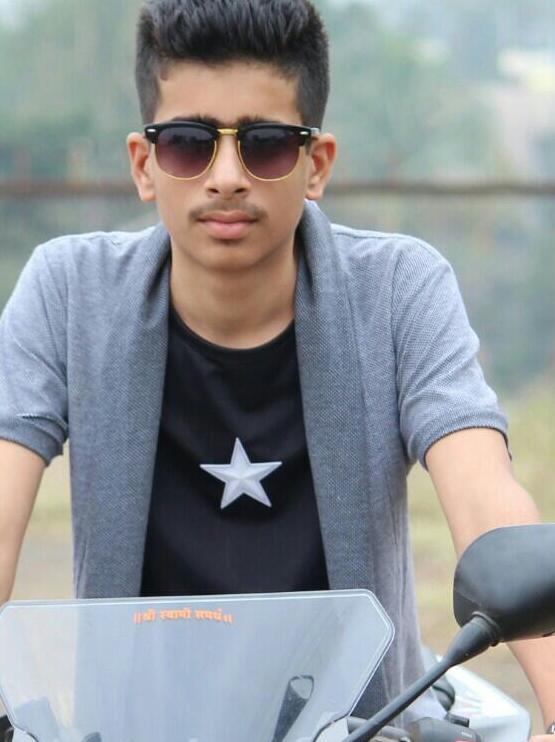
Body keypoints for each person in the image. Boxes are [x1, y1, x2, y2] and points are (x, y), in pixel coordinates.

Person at [0, 0, 553, 737]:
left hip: (367, 728)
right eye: (188, 144)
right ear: (143, 164)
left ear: (315, 164)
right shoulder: (69, 291)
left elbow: (484, 497)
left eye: (264, 145)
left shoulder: (398, 289)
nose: (227, 177)